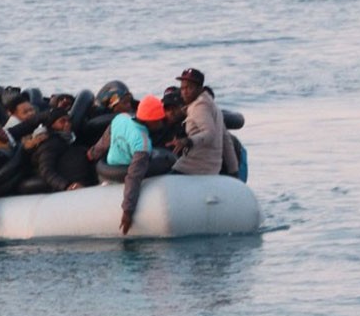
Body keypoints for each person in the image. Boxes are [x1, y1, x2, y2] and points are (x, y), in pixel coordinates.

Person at [87, 90, 175, 235]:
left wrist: (91, 155)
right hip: (122, 174)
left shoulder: (120, 119)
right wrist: (128, 211)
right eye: (159, 120)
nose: (161, 123)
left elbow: (103, 144)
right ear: (150, 120)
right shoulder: (142, 142)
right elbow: (134, 176)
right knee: (166, 160)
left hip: (107, 171)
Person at [171, 67, 239, 177]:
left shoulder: (199, 106)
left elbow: (209, 133)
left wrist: (188, 141)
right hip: (212, 167)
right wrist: (234, 171)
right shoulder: (212, 105)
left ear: (200, 88)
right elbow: (226, 140)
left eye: (189, 88)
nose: (185, 92)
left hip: (194, 165)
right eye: (182, 88)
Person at [30, 105, 96, 192]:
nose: (67, 124)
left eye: (69, 121)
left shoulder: (69, 139)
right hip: (66, 187)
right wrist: (66, 185)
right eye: (62, 121)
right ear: (52, 125)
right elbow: (46, 171)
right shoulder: (49, 143)